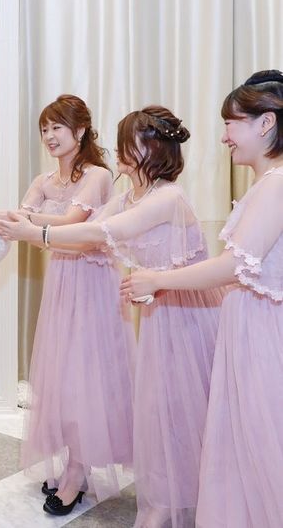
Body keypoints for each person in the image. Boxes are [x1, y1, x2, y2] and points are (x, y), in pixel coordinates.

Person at [0, 105, 224, 527]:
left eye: (126, 143)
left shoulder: (168, 197)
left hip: (190, 311)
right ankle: (163, 499)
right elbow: (89, 229)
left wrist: (33, 232)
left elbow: (99, 233)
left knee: (180, 409)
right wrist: (14, 222)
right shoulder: (131, 196)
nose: (117, 151)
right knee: (155, 410)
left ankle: (181, 501)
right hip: (159, 312)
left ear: (150, 149)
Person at [121, 72, 283, 528]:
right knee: (241, 443)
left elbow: (235, 266)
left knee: (259, 441)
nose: (224, 136)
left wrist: (159, 279)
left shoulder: (276, 184)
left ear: (265, 123)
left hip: (262, 330)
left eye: (231, 123)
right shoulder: (266, 184)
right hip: (247, 323)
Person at [0, 95, 135, 516]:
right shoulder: (43, 180)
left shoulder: (98, 176)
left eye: (57, 127)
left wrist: (19, 222)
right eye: (44, 129)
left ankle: (77, 472)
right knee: (63, 375)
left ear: (80, 131)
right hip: (62, 283)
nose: (49, 136)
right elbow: (22, 218)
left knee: (86, 375)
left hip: (93, 283)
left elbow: (71, 224)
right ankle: (73, 461)